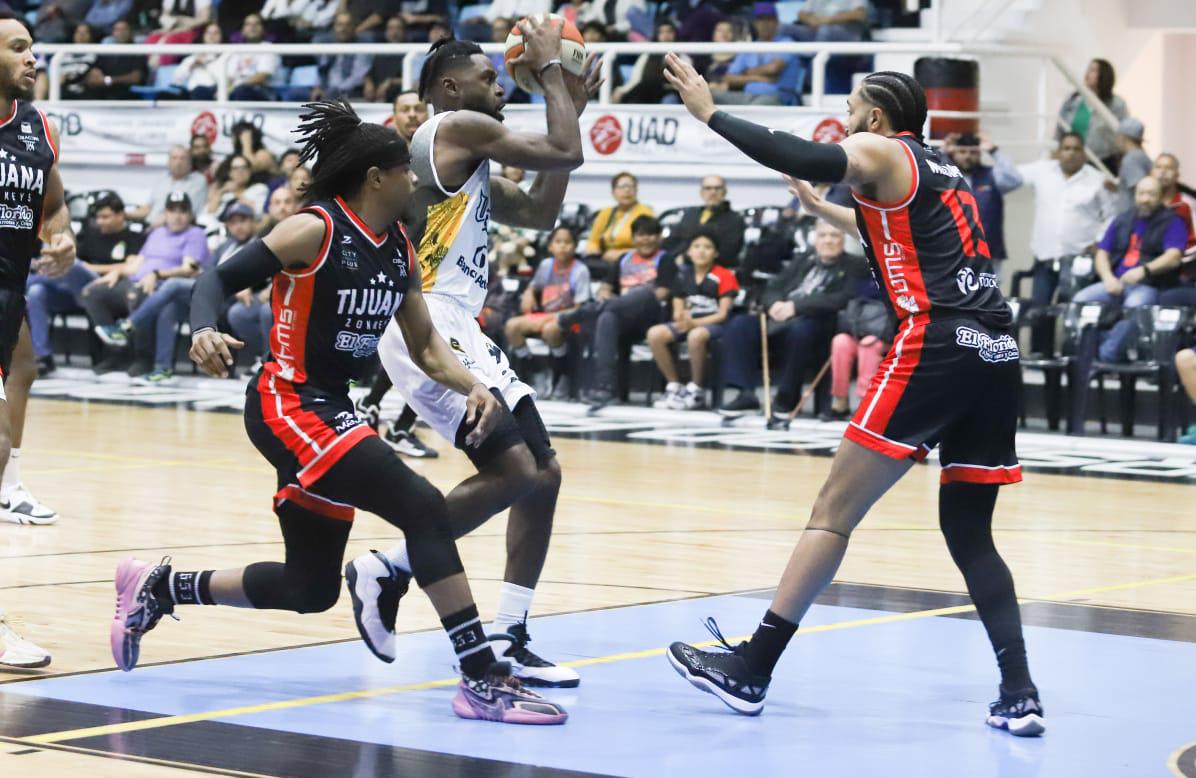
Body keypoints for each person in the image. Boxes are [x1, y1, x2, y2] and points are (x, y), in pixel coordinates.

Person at [110, 100, 567, 726]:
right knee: (424, 508)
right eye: (406, 172)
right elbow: (217, 279)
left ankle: (161, 588)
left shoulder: (400, 247)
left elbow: (427, 345)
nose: (417, 180)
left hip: (332, 408)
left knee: (311, 587)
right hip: (287, 402)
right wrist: (203, 329)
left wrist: (471, 386)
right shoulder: (316, 229)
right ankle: (481, 676)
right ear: (377, 179)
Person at [663, 56, 1043, 735]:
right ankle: (1019, 692)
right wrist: (822, 209)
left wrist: (711, 113)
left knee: (832, 512)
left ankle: (754, 666)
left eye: (849, 111)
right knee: (969, 533)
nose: (842, 123)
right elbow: (905, 243)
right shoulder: (941, 171)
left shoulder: (878, 147)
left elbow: (805, 154)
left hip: (937, 343)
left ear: (875, 117)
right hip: (996, 351)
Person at [348, 27, 600, 688]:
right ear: (450, 90)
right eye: (491, 78)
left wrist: (570, 96)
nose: (500, 87)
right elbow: (564, 147)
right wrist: (550, 75)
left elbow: (546, 206)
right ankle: (392, 568)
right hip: (426, 320)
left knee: (541, 476)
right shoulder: (453, 127)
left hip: (461, 324)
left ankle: (511, 634)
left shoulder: (473, 158)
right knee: (517, 469)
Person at [0, 11, 77, 660]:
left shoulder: (38, 127)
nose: (33, 58)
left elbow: (52, 203)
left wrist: (64, 231)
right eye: (19, 48)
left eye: (33, 48)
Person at [717, 220, 860, 416]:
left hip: (818, 323)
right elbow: (773, 287)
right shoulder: (803, 260)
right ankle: (745, 393)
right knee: (740, 325)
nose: (828, 241)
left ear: (844, 239)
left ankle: (787, 398)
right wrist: (774, 304)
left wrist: (796, 306)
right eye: (822, 236)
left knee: (801, 330)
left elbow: (842, 299)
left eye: (834, 236)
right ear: (815, 239)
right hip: (780, 319)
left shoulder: (855, 265)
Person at [26, 192, 145, 376]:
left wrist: (91, 267)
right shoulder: (89, 235)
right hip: (74, 292)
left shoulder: (133, 237)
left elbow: (130, 267)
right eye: (97, 217)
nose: (100, 222)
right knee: (36, 292)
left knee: (73, 265)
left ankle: (18, 282)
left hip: (105, 291)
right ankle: (43, 357)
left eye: (105, 217)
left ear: (121, 215)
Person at [1072, 176, 1186, 362]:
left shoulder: (1173, 221)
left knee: (1134, 307)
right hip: (1115, 282)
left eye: (1151, 194)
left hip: (1149, 284)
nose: (1145, 199)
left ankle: (1106, 355)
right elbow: (1102, 253)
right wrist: (1108, 278)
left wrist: (1144, 271)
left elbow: (1173, 257)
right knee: (1080, 301)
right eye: (1141, 193)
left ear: (1161, 197)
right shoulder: (1122, 219)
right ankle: (1084, 355)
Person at [575, 215, 676, 410]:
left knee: (644, 292)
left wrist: (627, 298)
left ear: (658, 238)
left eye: (651, 235)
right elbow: (605, 287)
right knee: (607, 317)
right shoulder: (624, 259)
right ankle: (605, 388)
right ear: (633, 238)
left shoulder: (665, 259)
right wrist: (606, 295)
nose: (646, 239)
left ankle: (588, 311)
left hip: (650, 316)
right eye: (641, 235)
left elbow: (662, 294)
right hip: (623, 318)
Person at [647, 230, 737, 410]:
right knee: (655, 334)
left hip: (716, 325)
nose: (701, 251)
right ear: (688, 252)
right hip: (689, 323)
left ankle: (696, 389)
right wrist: (680, 317)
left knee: (695, 336)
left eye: (707, 247)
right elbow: (677, 305)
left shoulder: (725, 275)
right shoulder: (682, 275)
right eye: (696, 247)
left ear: (716, 253)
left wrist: (694, 323)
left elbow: (723, 314)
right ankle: (674, 387)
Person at [503, 225, 591, 398]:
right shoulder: (546, 265)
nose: (563, 246)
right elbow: (534, 287)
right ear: (550, 246)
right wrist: (529, 293)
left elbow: (581, 307)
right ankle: (536, 371)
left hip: (568, 317)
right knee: (511, 326)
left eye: (567, 242)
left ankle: (561, 376)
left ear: (575, 246)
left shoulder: (580, 270)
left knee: (551, 330)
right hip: (544, 316)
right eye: (558, 242)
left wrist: (551, 317)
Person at [943, 130, 1021, 268]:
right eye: (962, 152)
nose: (967, 156)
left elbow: (1016, 179)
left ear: (979, 153)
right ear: (953, 153)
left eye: (973, 152)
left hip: (988, 251)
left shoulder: (992, 175)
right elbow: (922, 173)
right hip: (951, 252)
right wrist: (942, 152)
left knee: (990, 289)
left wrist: (994, 151)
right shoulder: (943, 177)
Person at [1056, 58, 1128, 173]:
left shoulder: (1116, 104)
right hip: (1074, 159)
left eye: (1093, 70)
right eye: (1088, 69)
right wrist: (1056, 150)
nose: (1088, 73)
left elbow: (1123, 134)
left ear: (1104, 75)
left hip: (1103, 161)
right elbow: (1060, 127)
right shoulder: (1073, 99)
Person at [661, 175, 745, 267]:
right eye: (708, 188)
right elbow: (673, 240)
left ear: (724, 192)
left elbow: (728, 254)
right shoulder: (690, 213)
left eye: (717, 188)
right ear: (701, 192)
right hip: (677, 265)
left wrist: (685, 258)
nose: (713, 192)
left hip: (712, 269)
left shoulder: (735, 219)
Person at [584, 172, 655, 265]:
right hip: (605, 262)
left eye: (631, 186)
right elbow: (593, 241)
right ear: (613, 192)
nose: (627, 190)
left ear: (636, 190)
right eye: (622, 186)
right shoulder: (605, 213)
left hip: (634, 262)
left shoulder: (645, 212)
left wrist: (622, 253)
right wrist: (594, 251)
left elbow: (650, 246)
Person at [128, 145, 209, 227]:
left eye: (182, 158)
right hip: (148, 224)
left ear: (190, 162)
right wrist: (125, 215)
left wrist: (150, 230)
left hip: (172, 228)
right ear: (168, 162)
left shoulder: (198, 181)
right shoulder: (163, 179)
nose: (178, 162)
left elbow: (186, 213)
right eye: (174, 158)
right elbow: (148, 208)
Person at [1113, 118, 1151, 214]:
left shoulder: (1131, 160)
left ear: (1123, 137)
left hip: (1131, 219)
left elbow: (1141, 190)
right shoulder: (1141, 156)